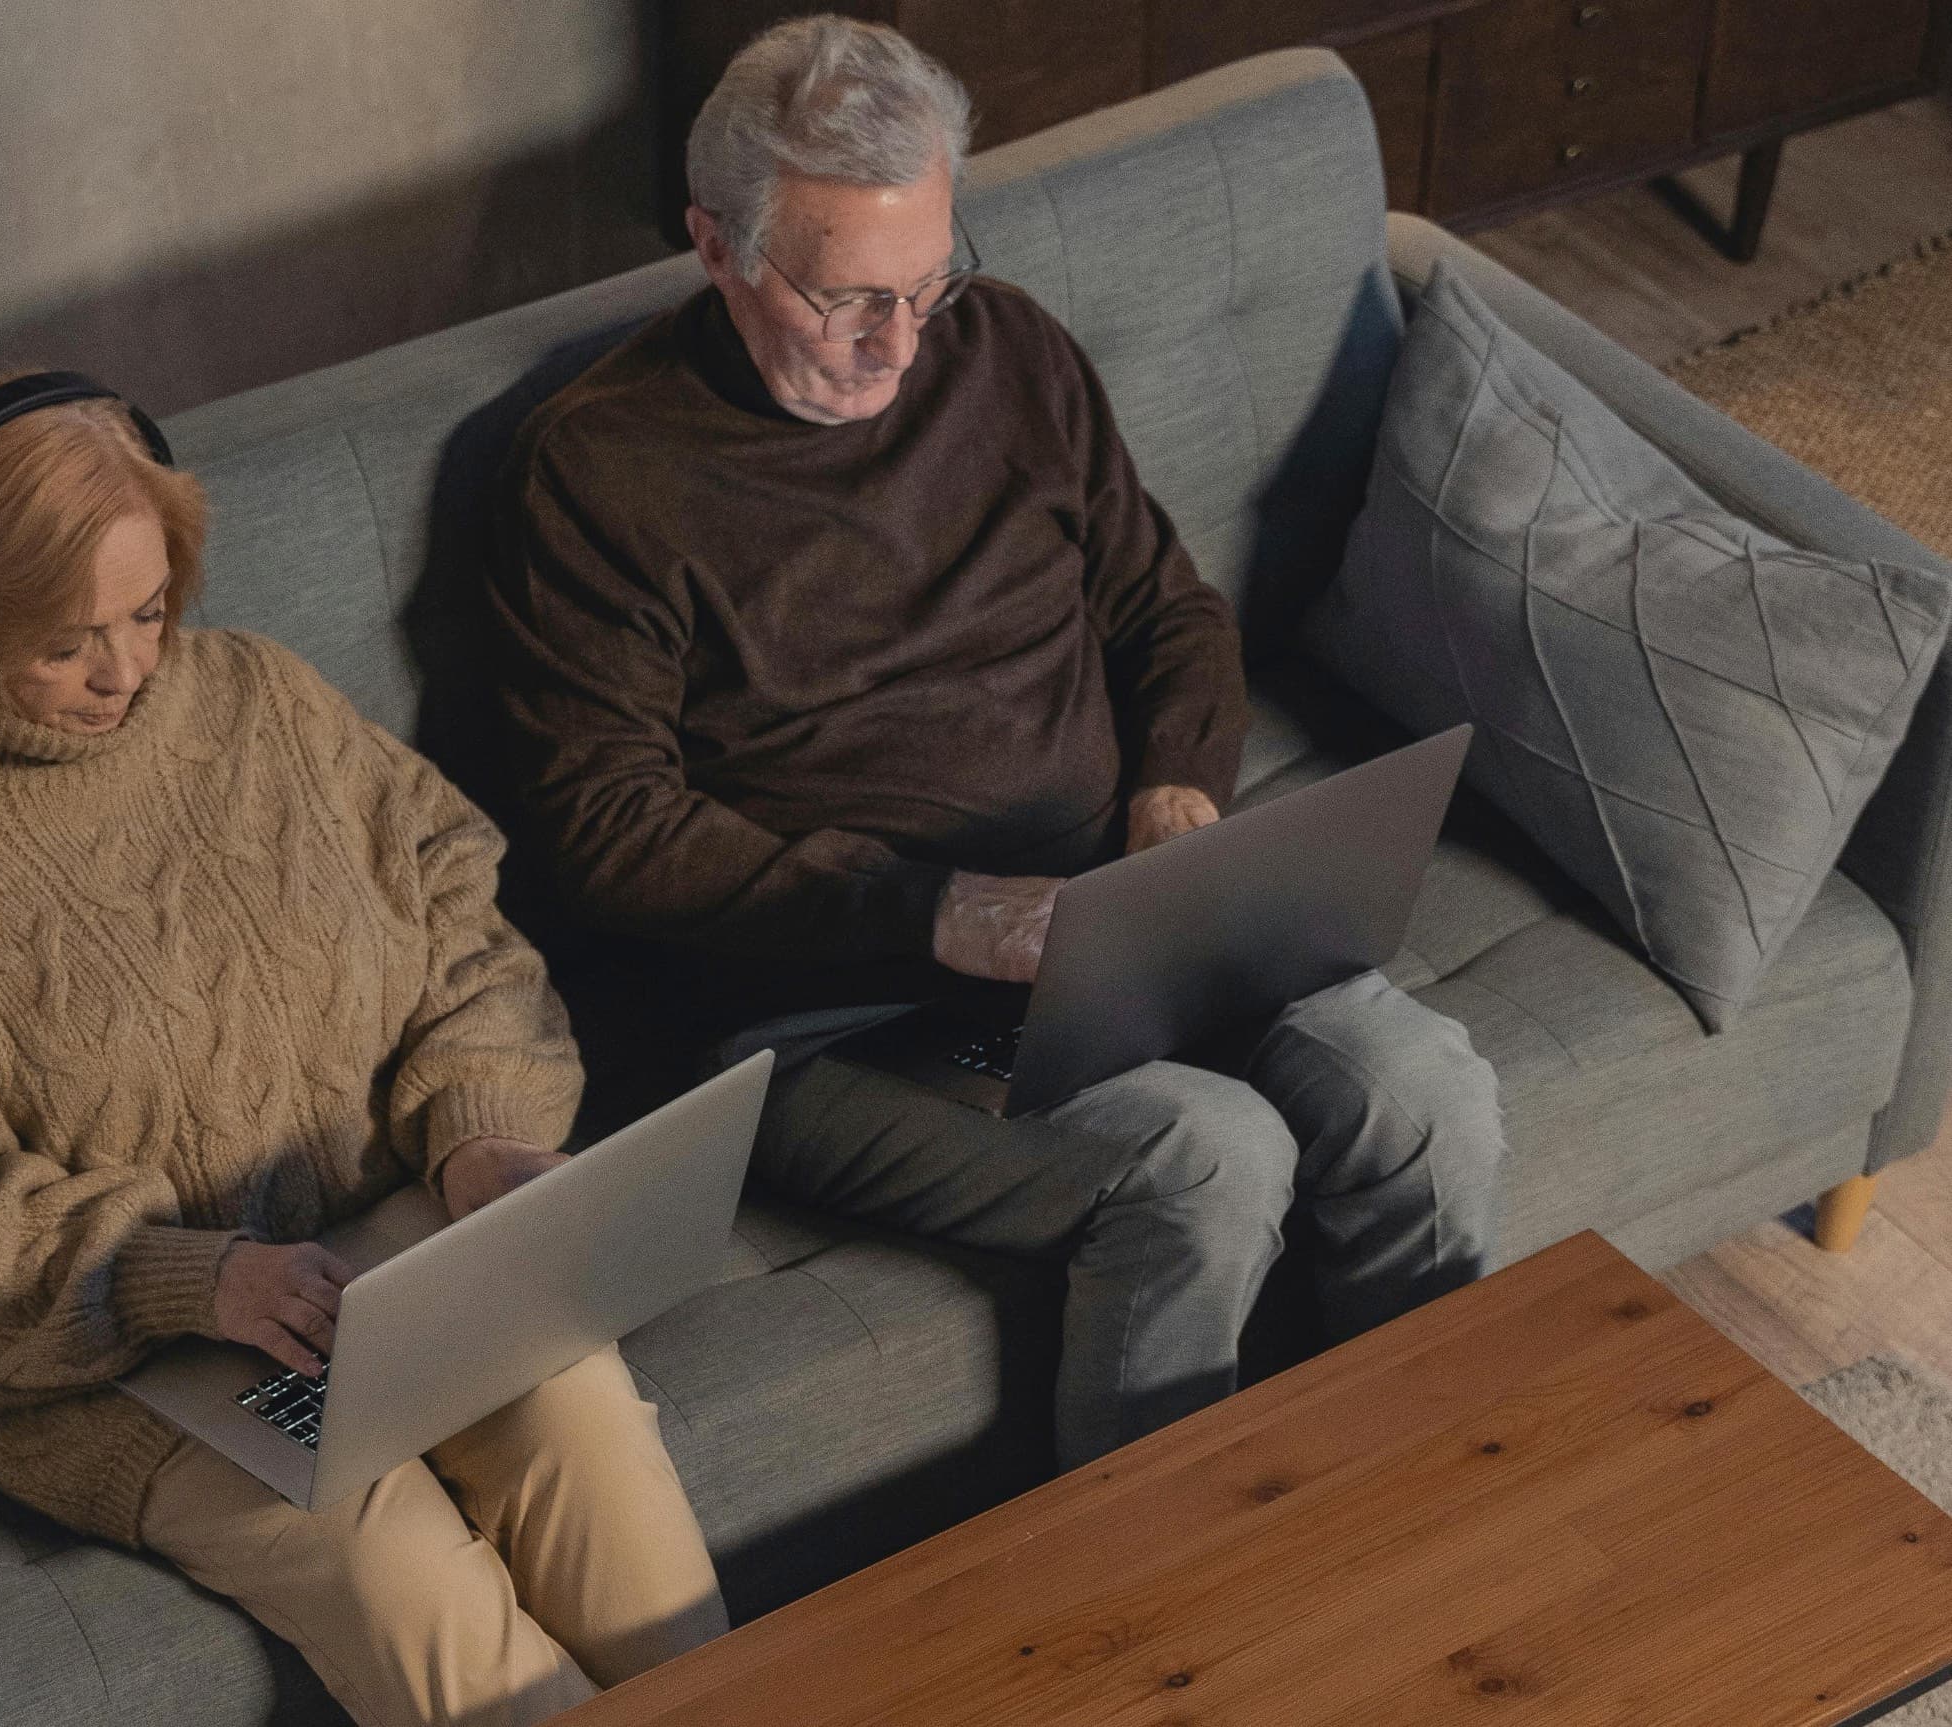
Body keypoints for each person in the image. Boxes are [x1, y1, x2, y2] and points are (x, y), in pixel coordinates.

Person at [487, 17, 1507, 1469]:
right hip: (846, 1008)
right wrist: (939, 914)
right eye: (847, 300)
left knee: (1427, 1095)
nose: (901, 348)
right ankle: (1160, 1614)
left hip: (1117, 918)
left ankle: (1415, 1495)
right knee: (1210, 1161)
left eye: (926, 284)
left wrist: (1173, 800)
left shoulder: (1005, 348)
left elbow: (1164, 610)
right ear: (717, 247)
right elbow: (606, 827)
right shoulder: (597, 468)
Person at [0, 371, 726, 1727]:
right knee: (390, 1566)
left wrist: (480, 1136)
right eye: (62, 640)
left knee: (586, 1423)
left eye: (148, 612)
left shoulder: (258, 699)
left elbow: (456, 920)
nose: (122, 674)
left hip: (384, 1249)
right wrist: (179, 1281)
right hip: (114, 1357)